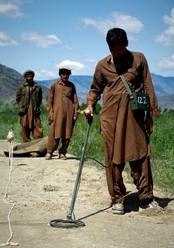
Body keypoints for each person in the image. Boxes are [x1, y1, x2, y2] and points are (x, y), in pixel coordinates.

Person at [84, 28, 160, 215]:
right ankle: (118, 198)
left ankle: (146, 197)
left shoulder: (139, 59)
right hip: (110, 117)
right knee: (113, 158)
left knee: (140, 154)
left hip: (134, 116)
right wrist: (90, 106)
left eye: (119, 48)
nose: (116, 52)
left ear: (126, 44)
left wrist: (151, 114)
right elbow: (95, 89)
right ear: (108, 47)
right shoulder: (102, 65)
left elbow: (148, 85)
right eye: (112, 49)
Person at [45, 66, 80, 160]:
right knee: (54, 133)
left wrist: (76, 113)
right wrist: (50, 113)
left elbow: (75, 100)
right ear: (60, 74)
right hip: (57, 113)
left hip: (69, 113)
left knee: (67, 133)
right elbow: (49, 101)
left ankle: (62, 152)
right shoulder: (54, 85)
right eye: (63, 74)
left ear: (69, 75)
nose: (65, 76)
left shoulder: (71, 85)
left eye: (67, 74)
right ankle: (49, 152)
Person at [16, 70, 43, 142]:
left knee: (38, 129)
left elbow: (40, 98)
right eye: (28, 76)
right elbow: (18, 99)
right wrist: (22, 106)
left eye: (31, 76)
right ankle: (27, 146)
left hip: (34, 111)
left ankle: (39, 146)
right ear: (25, 77)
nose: (30, 78)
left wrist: (36, 106)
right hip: (24, 112)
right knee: (25, 128)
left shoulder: (37, 87)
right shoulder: (22, 87)